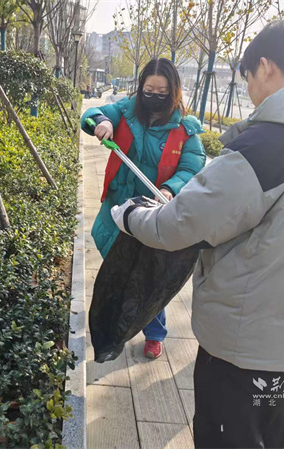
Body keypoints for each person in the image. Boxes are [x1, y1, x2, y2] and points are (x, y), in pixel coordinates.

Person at [110, 21, 284, 448]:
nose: (251, 88)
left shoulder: (269, 147)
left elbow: (181, 224)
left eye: (249, 76)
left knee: (226, 437)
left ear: (266, 67)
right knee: (267, 435)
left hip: (240, 342)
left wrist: (129, 216)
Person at [81, 58, 206, 359]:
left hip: (152, 214)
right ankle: (116, 327)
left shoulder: (185, 129)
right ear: (141, 88)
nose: (154, 97)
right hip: (118, 210)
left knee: (147, 277)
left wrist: (169, 189)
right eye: (149, 90)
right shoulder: (126, 111)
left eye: (162, 92)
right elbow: (91, 115)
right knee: (119, 272)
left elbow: (192, 166)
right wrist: (102, 122)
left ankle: (153, 332)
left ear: (173, 91)